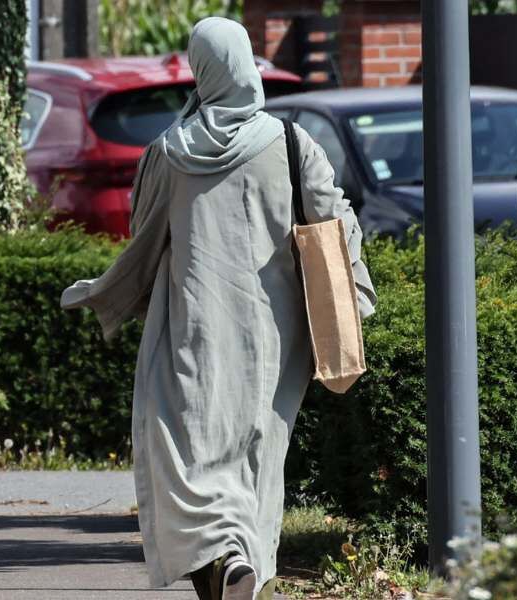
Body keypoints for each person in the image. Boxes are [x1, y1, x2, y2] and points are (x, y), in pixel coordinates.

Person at [60, 17, 376, 600]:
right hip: (276, 337)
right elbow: (335, 222)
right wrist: (355, 292)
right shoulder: (289, 142)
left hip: (193, 329)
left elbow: (144, 239)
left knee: (189, 454)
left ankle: (224, 560)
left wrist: (102, 290)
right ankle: (241, 560)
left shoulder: (169, 152)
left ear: (202, 69)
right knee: (255, 453)